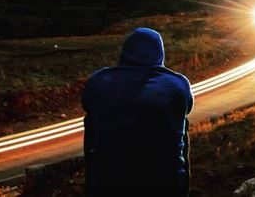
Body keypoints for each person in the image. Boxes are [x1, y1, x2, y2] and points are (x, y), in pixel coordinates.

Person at [81, 27, 193, 197]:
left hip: (108, 185)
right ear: (160, 52)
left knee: (92, 122)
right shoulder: (177, 84)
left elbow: (88, 105)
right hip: (165, 185)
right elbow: (187, 107)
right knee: (180, 123)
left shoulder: (99, 81)